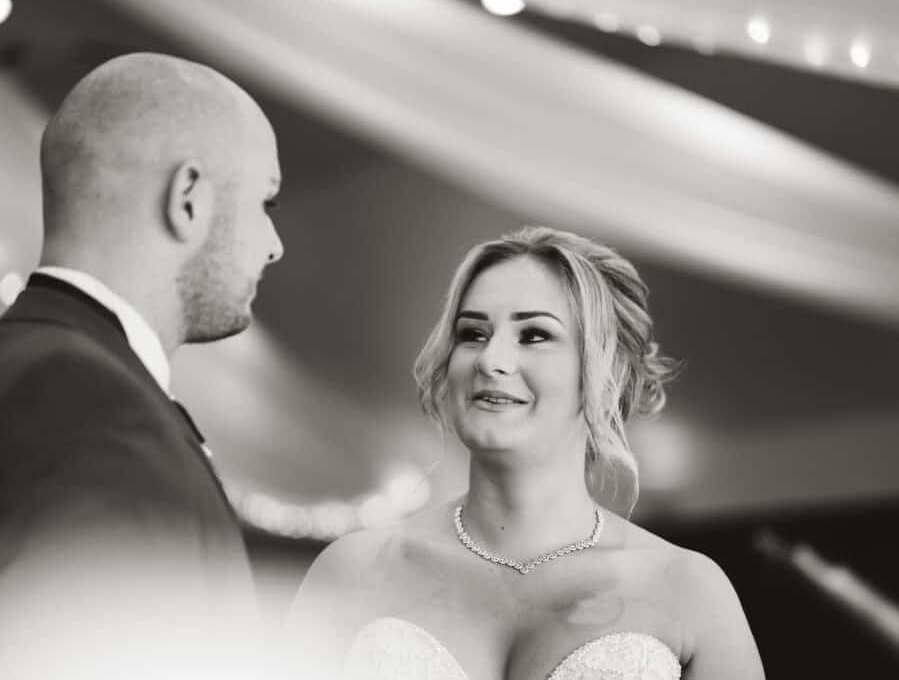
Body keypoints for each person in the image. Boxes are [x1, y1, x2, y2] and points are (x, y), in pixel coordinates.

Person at [0, 53, 283, 679]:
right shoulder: (81, 405)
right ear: (188, 198)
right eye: (264, 201)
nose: (274, 244)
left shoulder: (3, 379)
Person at [286, 227, 764, 679]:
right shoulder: (354, 568)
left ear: (604, 369)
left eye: (534, 335)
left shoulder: (690, 590)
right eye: (472, 334)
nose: (491, 360)